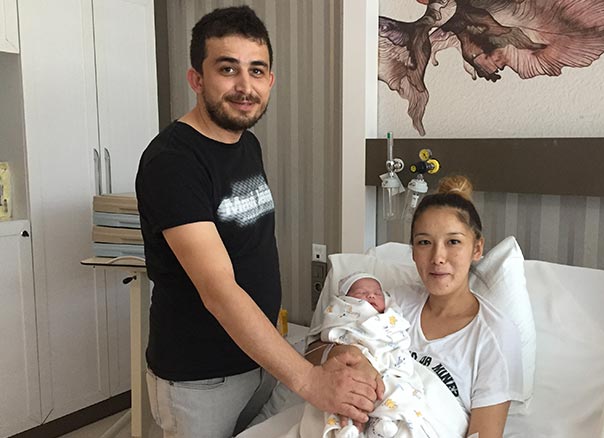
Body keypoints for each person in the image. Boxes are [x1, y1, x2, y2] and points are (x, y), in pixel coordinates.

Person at [135, 6, 381, 437]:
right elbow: (219, 291)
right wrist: (309, 379)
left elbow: (250, 249)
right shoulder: (173, 163)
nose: (245, 87)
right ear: (196, 78)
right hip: (201, 379)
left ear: (271, 80)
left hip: (259, 356)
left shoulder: (246, 144)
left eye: (257, 70)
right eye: (227, 69)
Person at [307, 176, 524, 438]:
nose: (438, 257)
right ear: (412, 251)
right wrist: (348, 354)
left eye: (453, 242)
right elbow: (311, 354)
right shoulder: (390, 305)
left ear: (477, 248)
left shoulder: (495, 336)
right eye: (424, 242)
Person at [319, 272, 435, 438]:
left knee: (401, 389)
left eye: (377, 293)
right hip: (356, 359)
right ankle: (346, 428)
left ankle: (383, 420)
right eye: (361, 293)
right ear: (346, 300)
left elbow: (400, 339)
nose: (371, 295)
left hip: (387, 363)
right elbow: (326, 339)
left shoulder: (391, 316)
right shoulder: (344, 313)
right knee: (347, 393)